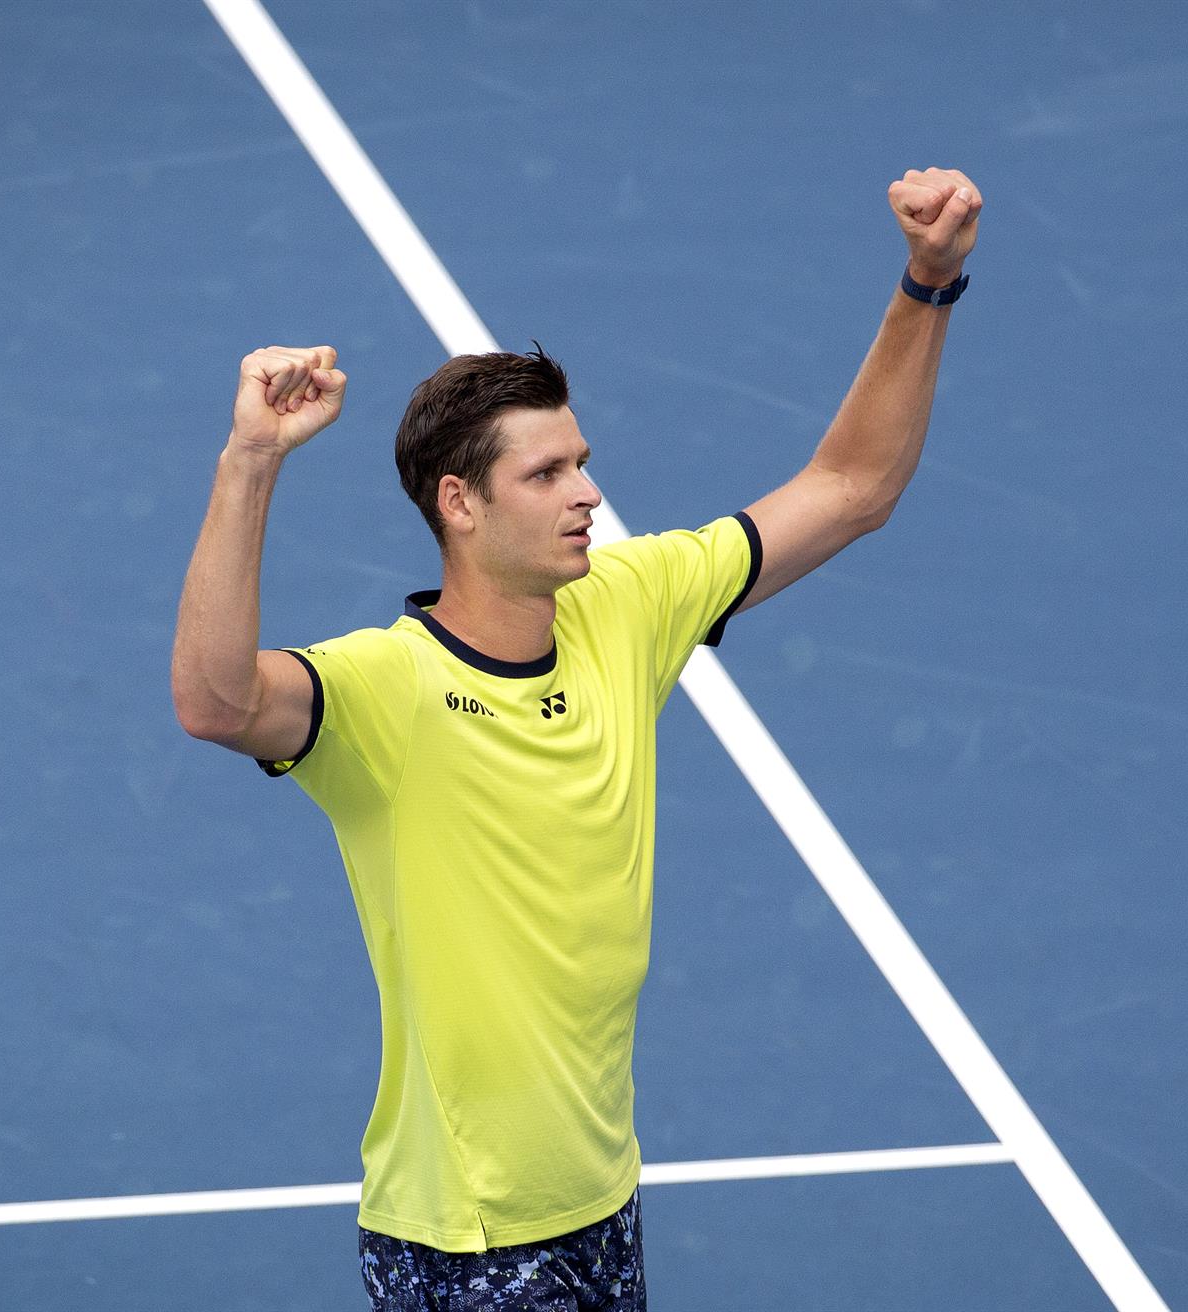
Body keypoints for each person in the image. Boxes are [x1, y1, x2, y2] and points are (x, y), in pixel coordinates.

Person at [170, 166, 981, 1311]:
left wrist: (928, 283)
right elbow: (214, 700)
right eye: (548, 472)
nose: (589, 493)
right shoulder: (384, 693)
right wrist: (250, 462)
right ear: (460, 503)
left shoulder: (625, 605)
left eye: (583, 461)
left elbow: (851, 486)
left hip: (601, 1197)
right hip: (470, 1234)